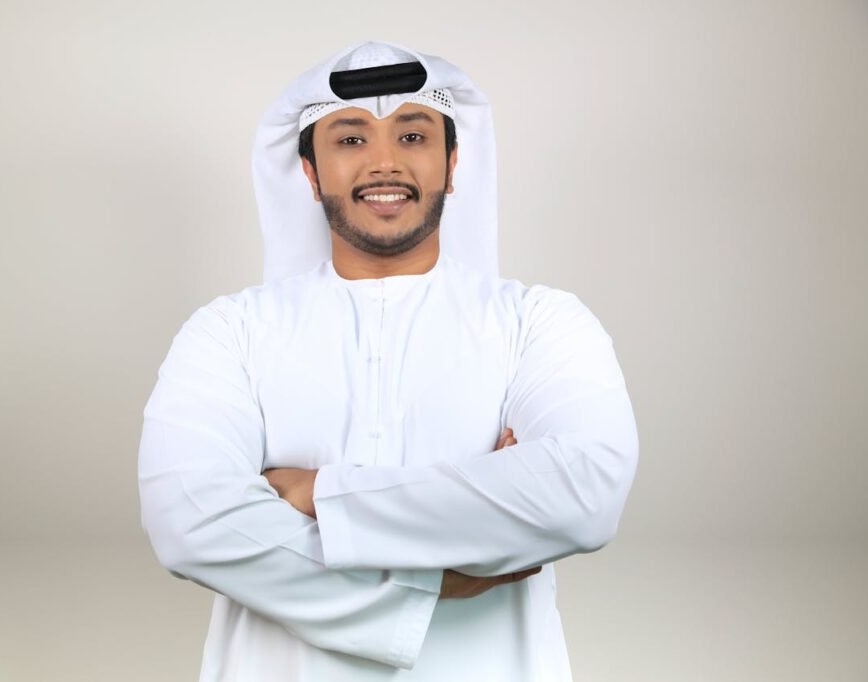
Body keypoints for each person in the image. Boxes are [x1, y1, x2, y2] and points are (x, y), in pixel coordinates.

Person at [138, 41, 638, 681]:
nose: (383, 162)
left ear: (453, 163)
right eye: (350, 140)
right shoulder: (228, 332)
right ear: (311, 173)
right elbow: (189, 522)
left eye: (412, 134)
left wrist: (315, 491)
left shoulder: (540, 323)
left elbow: (583, 494)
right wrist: (434, 576)